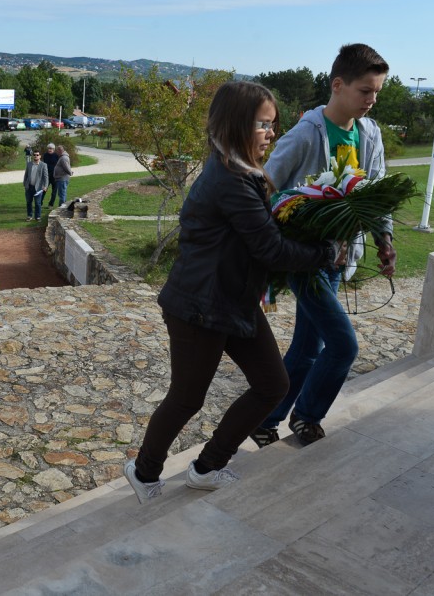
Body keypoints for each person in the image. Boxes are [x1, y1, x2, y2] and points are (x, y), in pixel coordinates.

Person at [123, 81, 343, 504]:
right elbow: (270, 248)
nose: (271, 133)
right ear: (237, 124)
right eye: (263, 124)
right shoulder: (231, 180)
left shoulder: (242, 173)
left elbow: (262, 240)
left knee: (272, 385)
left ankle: (207, 467)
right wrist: (325, 251)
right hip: (199, 307)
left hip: (233, 301)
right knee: (187, 398)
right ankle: (143, 470)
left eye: (273, 124)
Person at [253, 43, 396, 448]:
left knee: (309, 344)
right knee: (343, 345)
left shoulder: (370, 133)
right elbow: (266, 187)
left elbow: (376, 193)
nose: (372, 100)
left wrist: (384, 240)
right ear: (338, 85)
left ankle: (266, 420)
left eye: (377, 92)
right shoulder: (305, 133)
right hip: (305, 259)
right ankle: (307, 415)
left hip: (339, 258)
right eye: (365, 91)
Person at [23, 150, 49, 221]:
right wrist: (25, 184)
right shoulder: (29, 164)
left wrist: (45, 186)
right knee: (29, 202)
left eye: (37, 155)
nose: (35, 156)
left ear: (40, 156)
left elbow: (46, 177)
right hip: (29, 187)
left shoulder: (43, 165)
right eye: (34, 155)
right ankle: (29, 216)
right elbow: (26, 175)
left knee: (37, 203)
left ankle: (37, 217)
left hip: (38, 188)